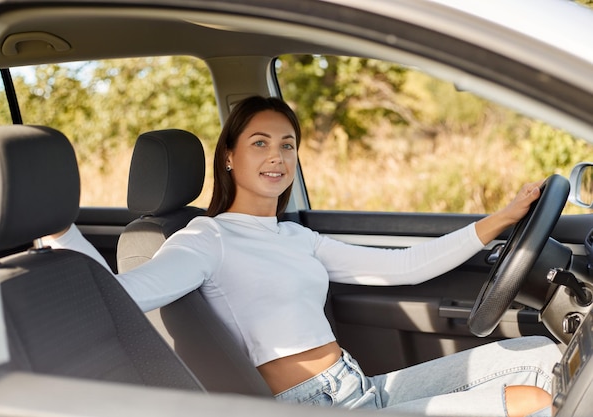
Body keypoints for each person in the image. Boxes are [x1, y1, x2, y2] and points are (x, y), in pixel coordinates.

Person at [45, 95, 561, 417]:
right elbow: (120, 295)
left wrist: (503, 217)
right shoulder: (207, 237)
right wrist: (59, 229)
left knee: (540, 356)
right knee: (534, 403)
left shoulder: (295, 237)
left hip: (361, 388)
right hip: (311, 405)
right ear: (229, 156)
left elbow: (405, 266)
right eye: (260, 143)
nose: (277, 156)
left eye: (288, 145)